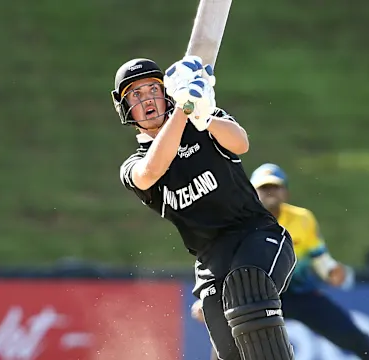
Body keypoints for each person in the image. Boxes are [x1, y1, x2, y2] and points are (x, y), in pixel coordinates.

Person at [113, 56, 297, 360]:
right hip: (210, 262)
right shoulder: (133, 165)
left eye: (152, 89)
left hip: (256, 235)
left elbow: (241, 143)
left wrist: (204, 116)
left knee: (247, 287)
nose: (147, 99)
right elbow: (151, 172)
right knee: (230, 352)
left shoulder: (202, 120)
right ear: (124, 107)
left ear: (165, 92)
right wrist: (183, 112)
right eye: (136, 94)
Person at [191, 163, 369, 360]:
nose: (270, 192)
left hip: (301, 295)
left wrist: (331, 271)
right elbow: (223, 264)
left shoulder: (303, 219)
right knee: (228, 345)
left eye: (275, 187)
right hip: (257, 294)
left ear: (286, 192)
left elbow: (319, 257)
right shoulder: (238, 221)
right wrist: (207, 299)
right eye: (264, 188)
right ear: (251, 192)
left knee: (358, 339)